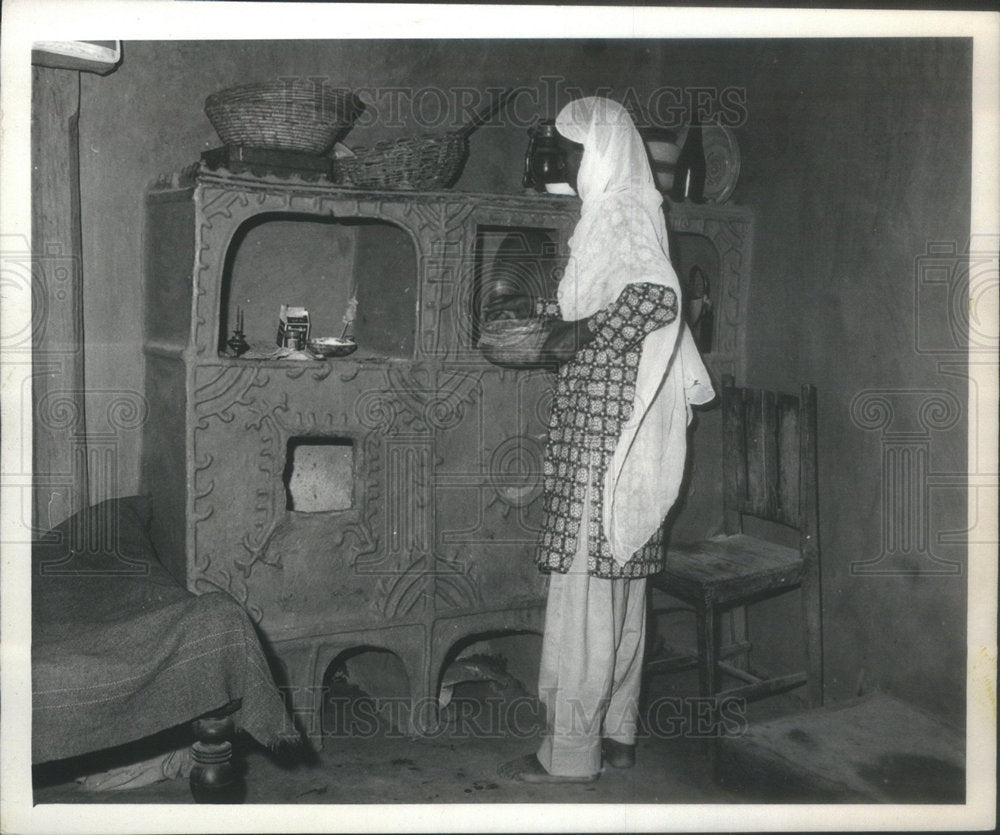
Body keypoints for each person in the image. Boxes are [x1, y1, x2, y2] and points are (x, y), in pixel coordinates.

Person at [496, 97, 715, 783]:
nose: (562, 162)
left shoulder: (618, 212)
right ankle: (617, 733)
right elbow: (624, 297)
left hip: (606, 428)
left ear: (601, 153)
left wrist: (577, 334)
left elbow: (656, 299)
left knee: (587, 588)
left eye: (570, 151)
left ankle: (570, 751)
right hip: (620, 427)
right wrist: (561, 319)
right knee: (619, 584)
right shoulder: (624, 211)